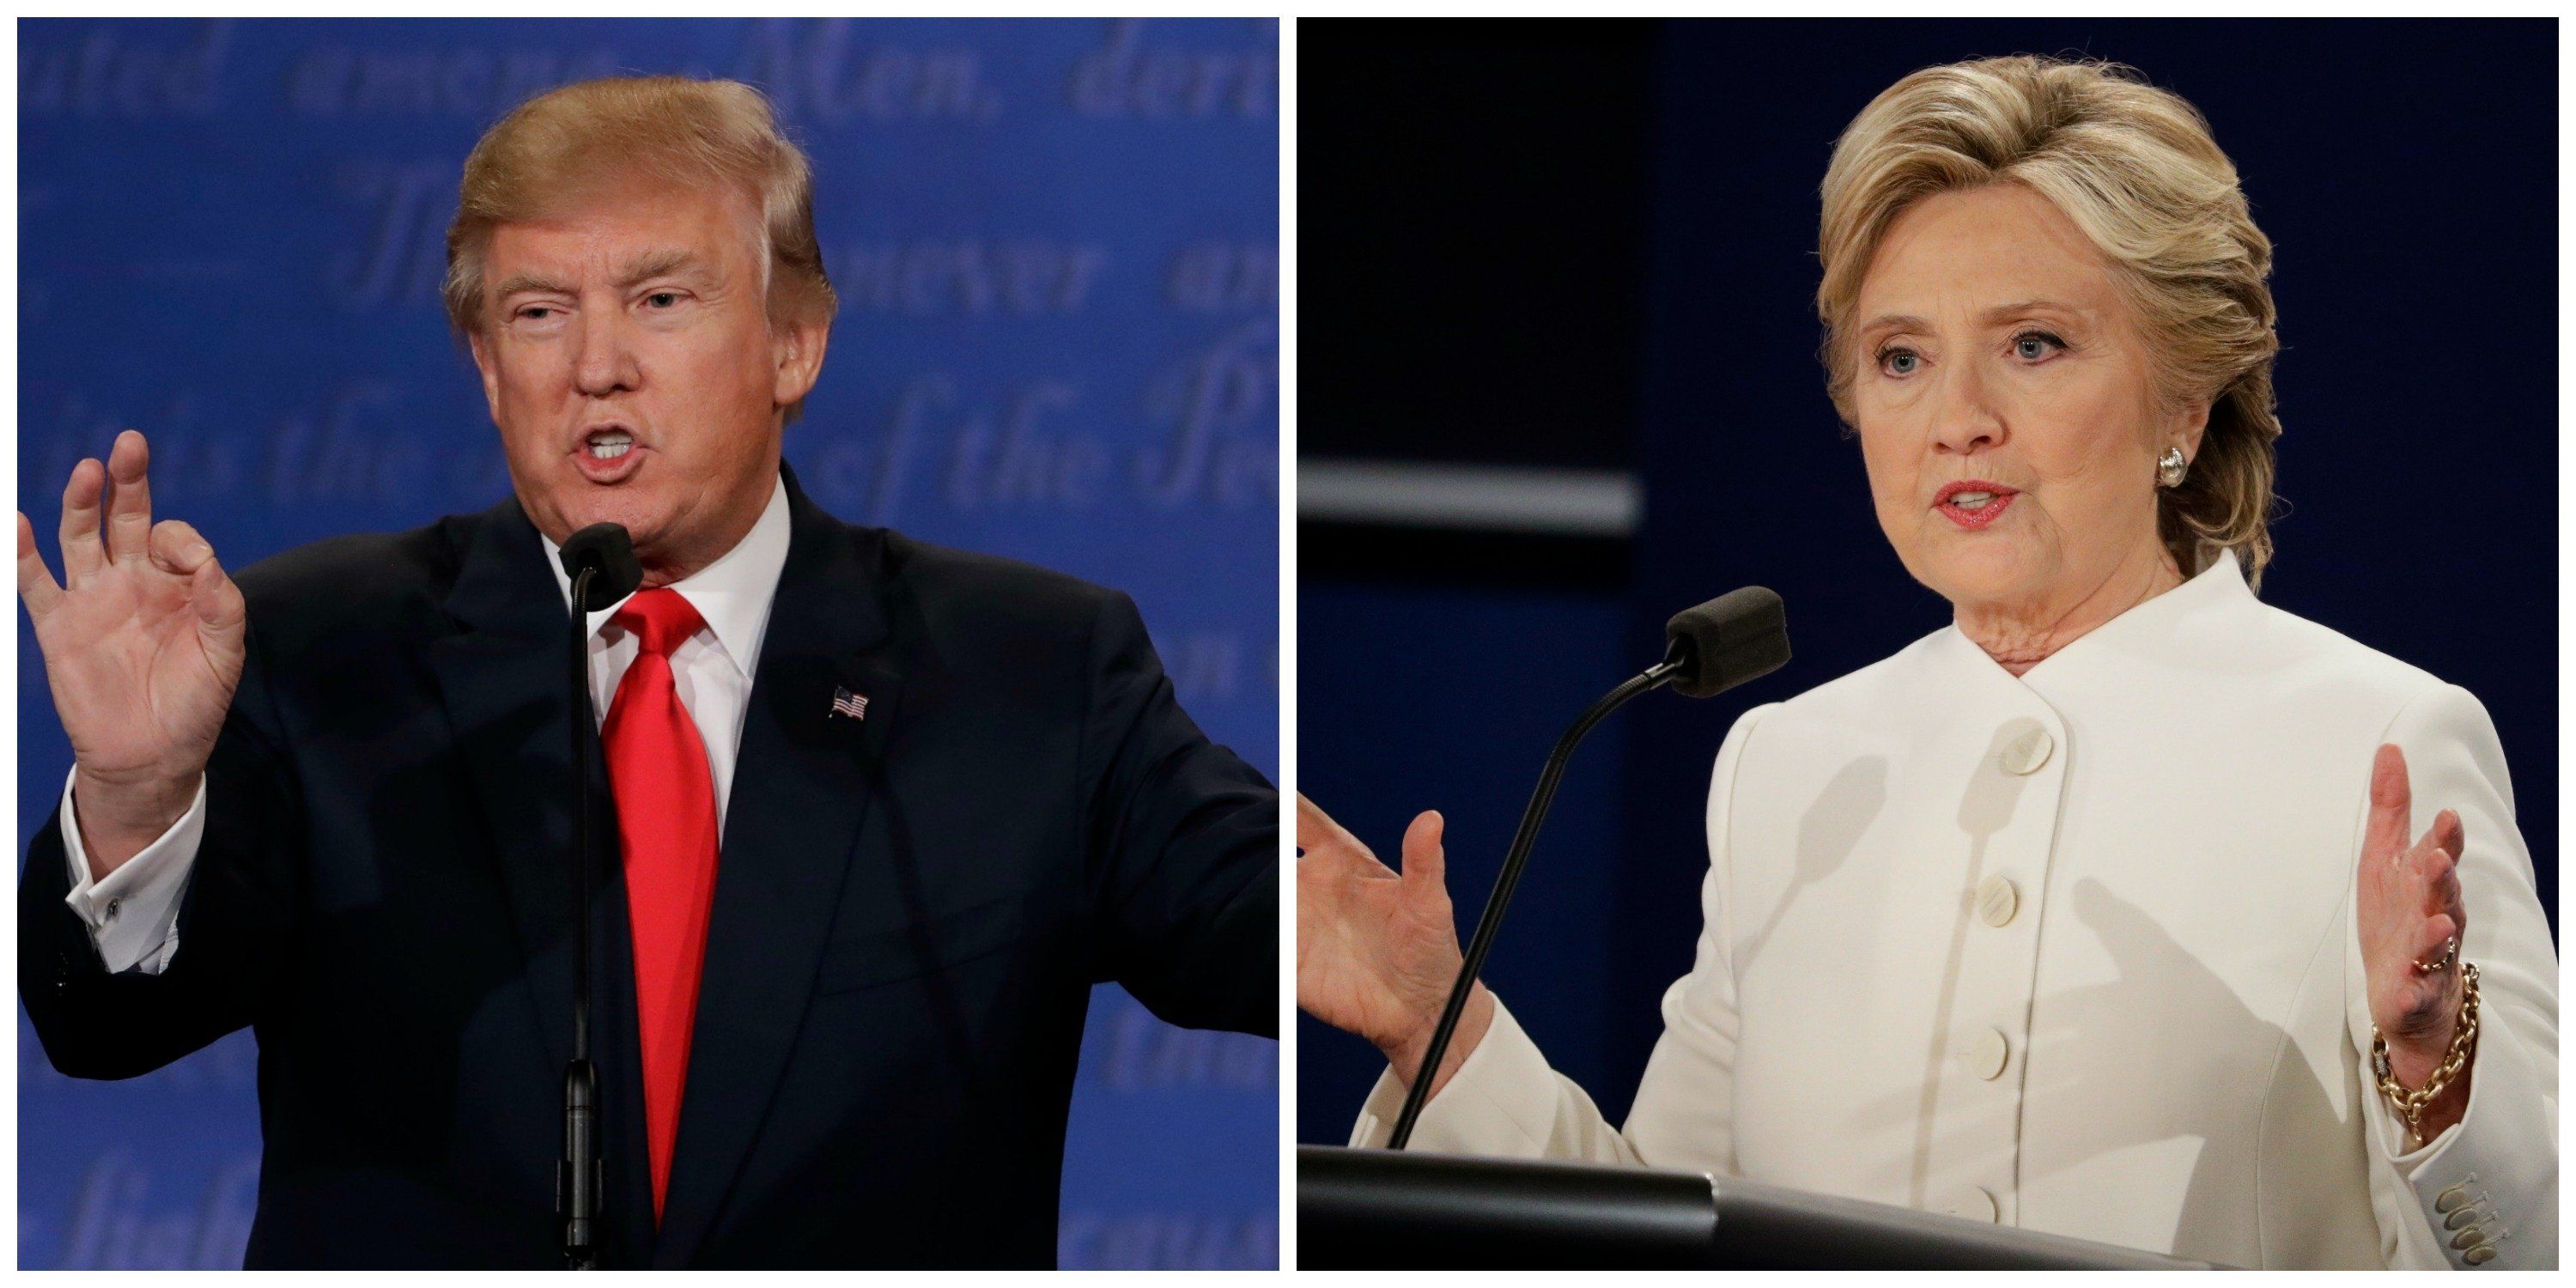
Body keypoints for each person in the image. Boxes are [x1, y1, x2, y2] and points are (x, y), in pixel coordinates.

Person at [1297, 55, 2554, 1269]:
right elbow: (1669, 1242)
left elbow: (2541, 1250)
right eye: (1901, 357)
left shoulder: (2378, 743)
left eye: (2034, 345)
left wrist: (2431, 1078)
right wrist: (1438, 1029)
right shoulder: (1791, 769)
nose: (1957, 418)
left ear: (2185, 401)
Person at [16, 76, 1276, 1269]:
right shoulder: (320, 647)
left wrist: (1398, 981)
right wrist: (134, 795)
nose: (595, 365)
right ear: (485, 367)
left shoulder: (1031, 673)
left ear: (796, 345)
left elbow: (1266, 928)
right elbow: (107, 1029)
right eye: (538, 311)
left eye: (661, 301)